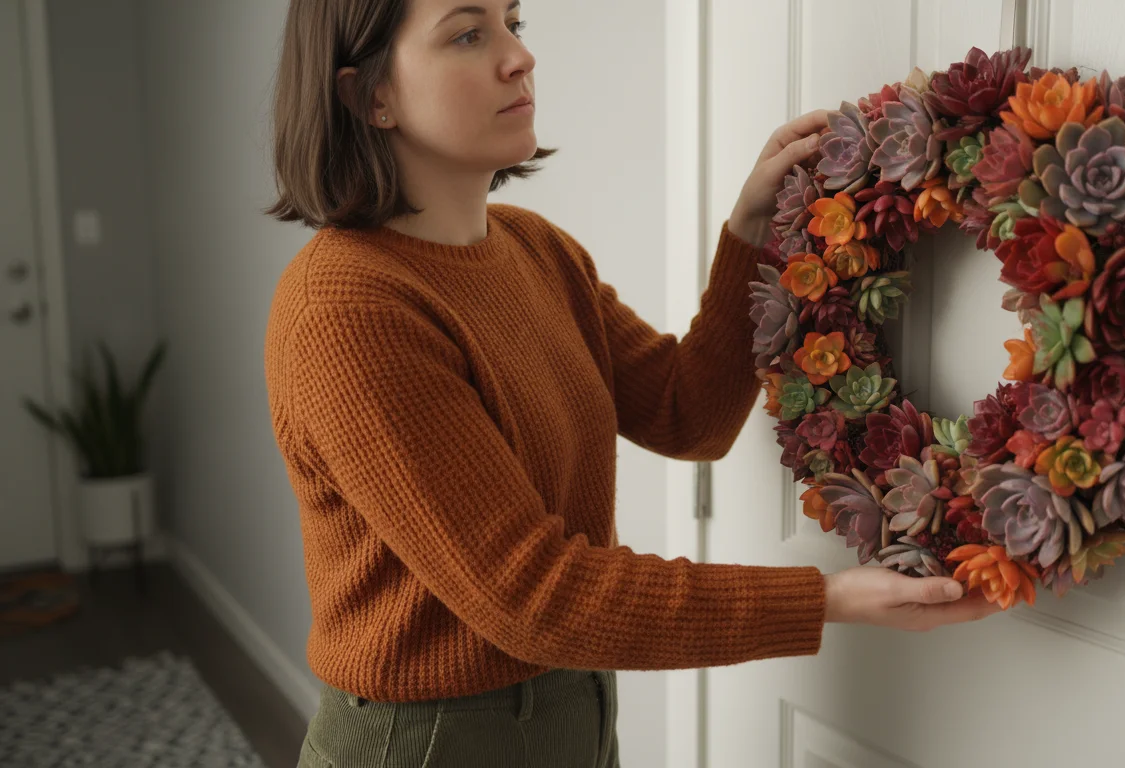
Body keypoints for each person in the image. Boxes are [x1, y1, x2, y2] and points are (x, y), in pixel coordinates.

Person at [262, 0, 1003, 765]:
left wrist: (752, 231)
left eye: (514, 22)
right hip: (430, 740)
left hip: (574, 706)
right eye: (467, 33)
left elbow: (688, 416)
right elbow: (530, 595)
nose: (519, 57)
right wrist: (829, 600)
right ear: (367, 96)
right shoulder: (345, 308)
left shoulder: (536, 252)